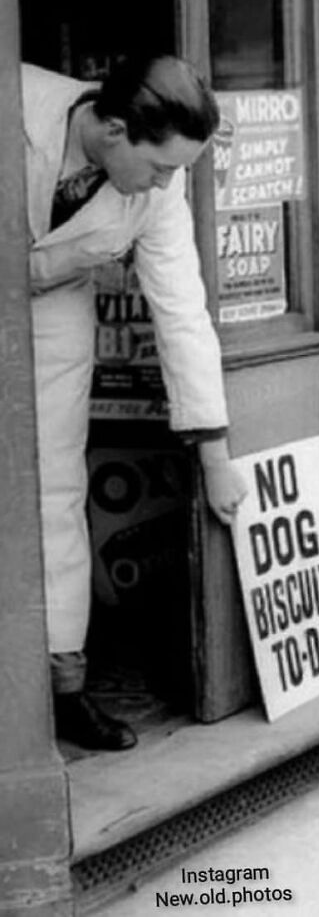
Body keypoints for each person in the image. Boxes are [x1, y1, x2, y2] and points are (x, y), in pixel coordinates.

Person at [23, 55, 249, 752]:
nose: (167, 184)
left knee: (56, 487)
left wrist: (214, 453)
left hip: (52, 313)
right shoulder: (16, 99)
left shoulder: (156, 194)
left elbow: (183, 313)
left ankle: (62, 689)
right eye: (160, 167)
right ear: (113, 129)